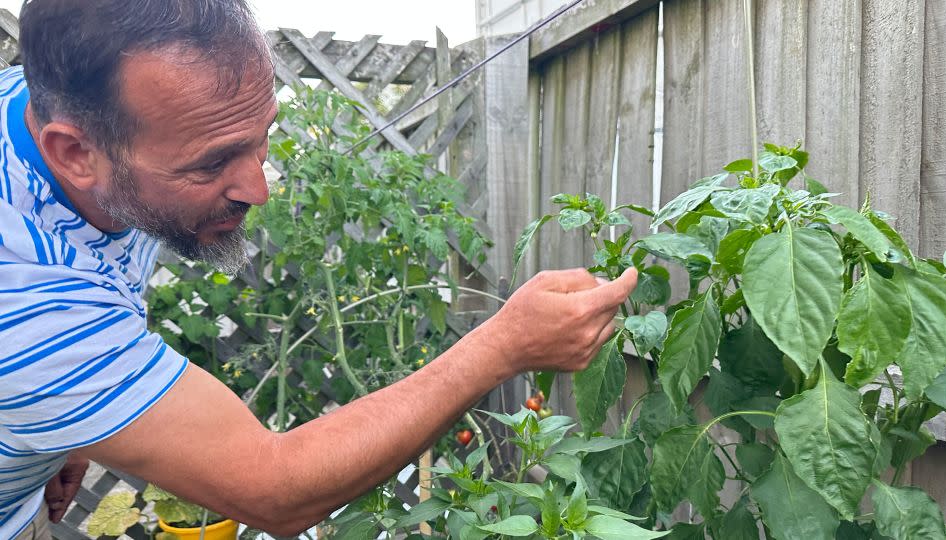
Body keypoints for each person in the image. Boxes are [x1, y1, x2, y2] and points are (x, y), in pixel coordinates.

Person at [0, 1, 638, 538]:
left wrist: (69, 427)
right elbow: (275, 489)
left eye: (262, 137)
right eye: (210, 164)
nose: (259, 187)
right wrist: (503, 345)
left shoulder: (49, 106)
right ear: (76, 152)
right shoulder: (24, 299)